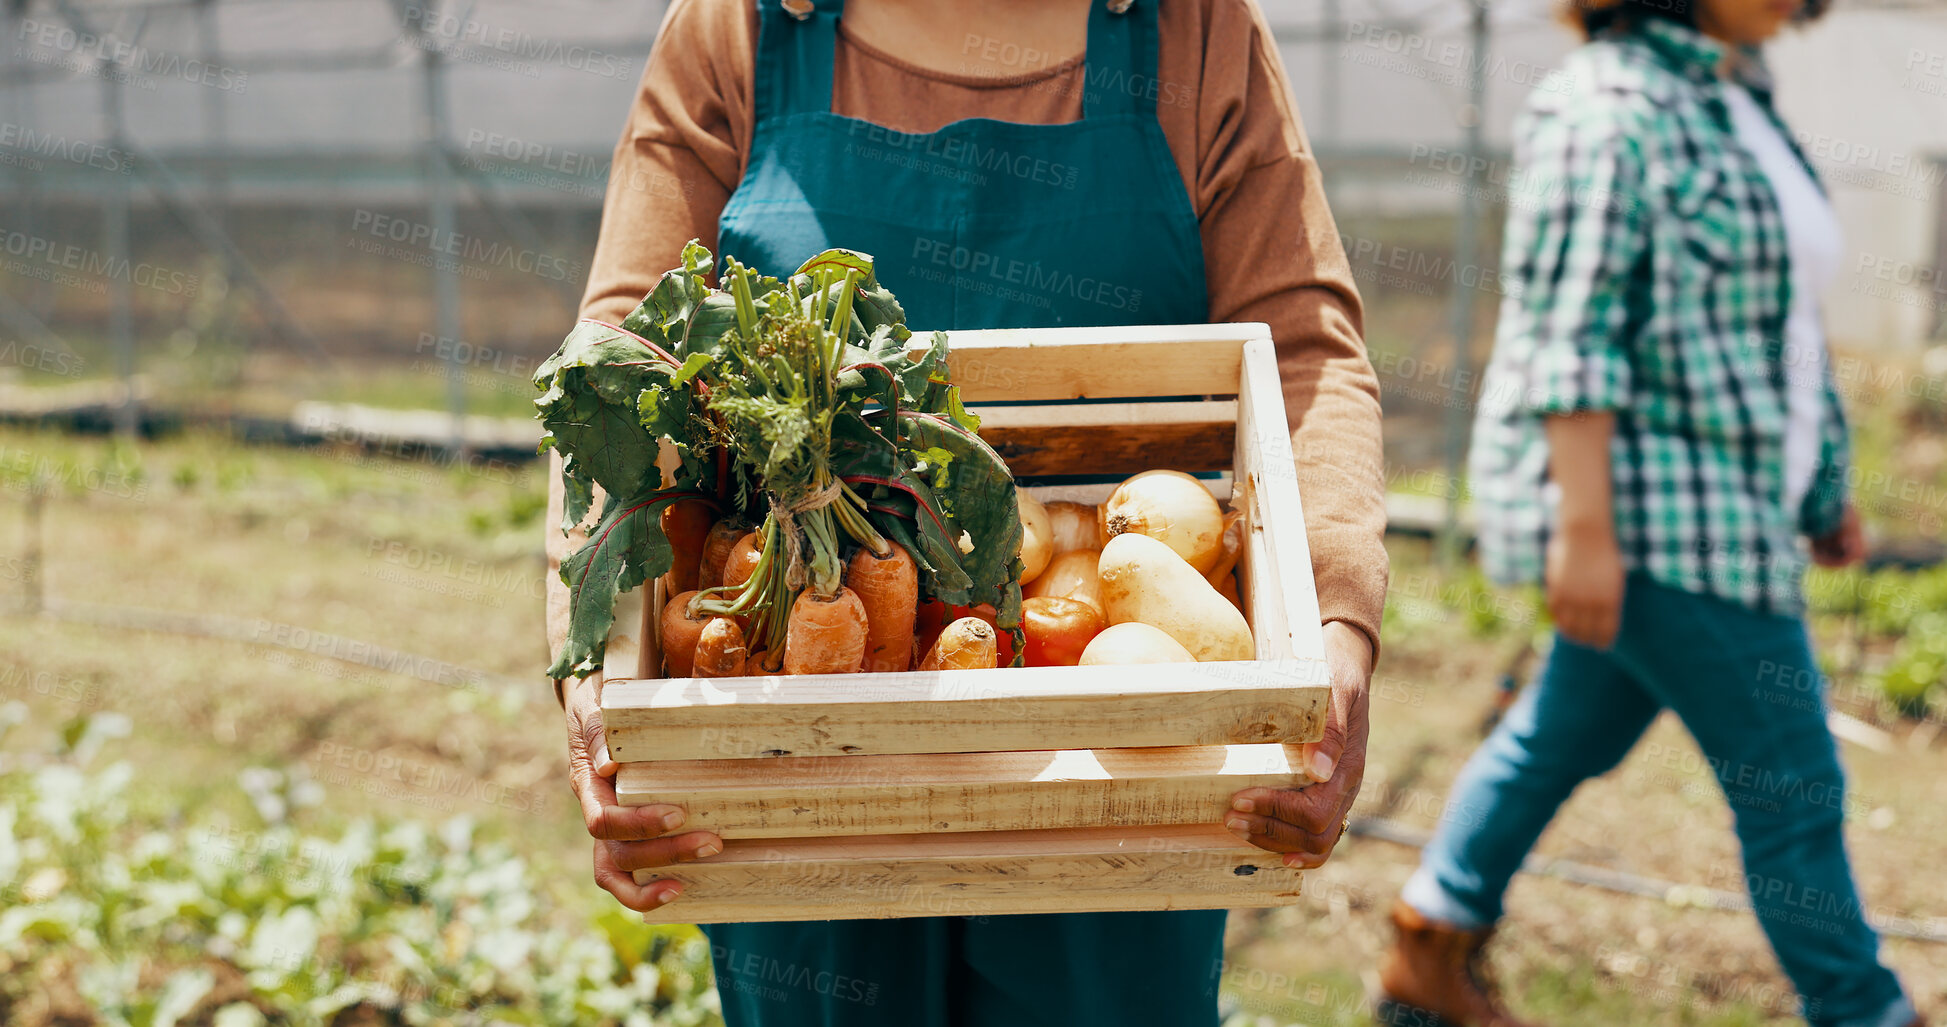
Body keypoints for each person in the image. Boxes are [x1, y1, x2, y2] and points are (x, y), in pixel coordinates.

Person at [542, 1, 1390, 1024]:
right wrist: (598, 675)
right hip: (793, 749)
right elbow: (620, 362)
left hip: (1128, 762)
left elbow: (1305, 354)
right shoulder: (741, 27)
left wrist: (1335, 625)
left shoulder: (1194, 30)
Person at [1376, 1, 1924, 1025]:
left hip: (1731, 505)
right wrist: (1584, 531)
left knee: (1560, 732)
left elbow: (1775, 320)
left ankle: (1429, 944)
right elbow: (1572, 334)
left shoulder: (1730, 94)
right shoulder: (1607, 105)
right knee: (1794, 790)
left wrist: (1821, 484)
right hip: (1661, 526)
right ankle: (1868, 1009)